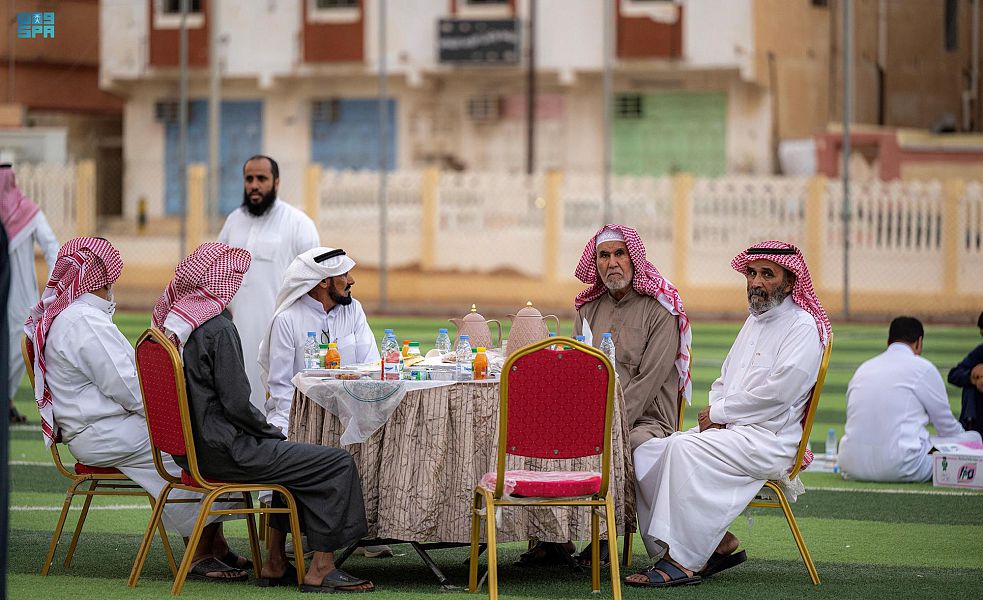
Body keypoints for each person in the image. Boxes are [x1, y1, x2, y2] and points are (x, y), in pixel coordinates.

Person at [24, 237, 249, 581]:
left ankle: (215, 544)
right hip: (101, 431)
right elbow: (130, 388)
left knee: (197, 433)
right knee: (193, 441)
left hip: (107, 425)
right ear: (101, 276)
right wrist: (181, 415)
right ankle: (199, 553)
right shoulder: (82, 322)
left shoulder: (79, 316)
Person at [153, 242, 374, 592]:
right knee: (337, 463)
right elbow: (239, 404)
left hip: (202, 448)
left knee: (298, 454)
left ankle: (275, 563)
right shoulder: (217, 329)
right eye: (233, 277)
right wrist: (269, 434)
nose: (238, 285)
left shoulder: (178, 327)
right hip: (227, 450)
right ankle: (321, 568)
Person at [626, 240, 830, 588]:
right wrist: (719, 413)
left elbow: (780, 394)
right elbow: (723, 378)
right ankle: (717, 543)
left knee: (680, 449)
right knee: (644, 451)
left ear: (790, 281)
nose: (756, 282)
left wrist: (721, 412)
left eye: (768, 274)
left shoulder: (803, 327)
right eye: (752, 273)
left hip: (770, 440)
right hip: (733, 432)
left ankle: (685, 559)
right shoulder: (754, 322)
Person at [218, 155, 320, 414]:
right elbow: (217, 273)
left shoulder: (298, 223)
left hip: (280, 333)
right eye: (249, 179)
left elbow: (314, 282)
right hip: (237, 332)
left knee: (279, 401)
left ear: (276, 183)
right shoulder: (234, 221)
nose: (254, 185)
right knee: (239, 396)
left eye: (261, 179)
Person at [839, 317, 982, 483]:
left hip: (851, 465)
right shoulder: (923, 368)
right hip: (903, 465)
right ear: (919, 342)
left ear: (888, 342)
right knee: (973, 438)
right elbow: (947, 428)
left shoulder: (863, 368)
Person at [258, 247, 379, 435]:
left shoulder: (353, 310)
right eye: (344, 274)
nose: (351, 281)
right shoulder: (287, 320)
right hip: (296, 414)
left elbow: (370, 366)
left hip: (350, 413)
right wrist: (306, 425)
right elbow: (281, 387)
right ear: (323, 281)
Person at [2, 164, 59, 423]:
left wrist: (52, 287)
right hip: (16, 293)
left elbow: (52, 247)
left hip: (19, 294)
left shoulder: (28, 212)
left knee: (19, 345)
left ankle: (6, 400)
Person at [947, 311, 983, 437]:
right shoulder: (980, 352)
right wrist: (972, 377)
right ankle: (968, 429)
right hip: (978, 424)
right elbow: (954, 374)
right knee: (969, 386)